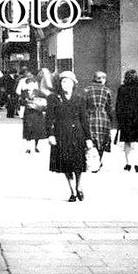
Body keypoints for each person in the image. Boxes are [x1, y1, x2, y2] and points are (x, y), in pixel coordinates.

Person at [47, 70, 93, 202]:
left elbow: (84, 120)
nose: (65, 84)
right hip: (61, 134)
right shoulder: (54, 98)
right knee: (66, 164)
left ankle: (78, 187)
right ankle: (72, 191)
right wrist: (50, 135)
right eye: (63, 81)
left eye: (68, 82)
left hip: (77, 135)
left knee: (78, 164)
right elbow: (49, 118)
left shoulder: (80, 99)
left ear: (74, 84)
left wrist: (88, 138)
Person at [82, 71, 114, 172]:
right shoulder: (107, 91)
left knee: (89, 140)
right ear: (103, 79)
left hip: (90, 118)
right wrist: (111, 119)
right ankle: (98, 161)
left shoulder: (86, 90)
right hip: (103, 118)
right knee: (102, 141)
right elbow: (110, 107)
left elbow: (83, 106)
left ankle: (89, 162)